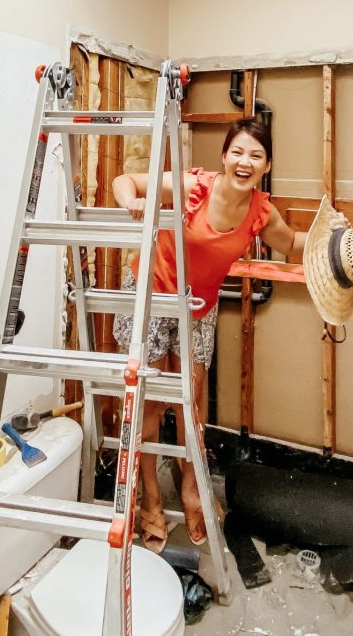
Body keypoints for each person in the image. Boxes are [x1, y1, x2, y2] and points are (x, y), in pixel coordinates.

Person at [111, 117, 306, 552]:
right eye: (237, 151)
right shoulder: (192, 186)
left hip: (198, 306)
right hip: (153, 294)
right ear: (223, 156)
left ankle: (193, 491)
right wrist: (134, 204)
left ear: (266, 165)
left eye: (256, 155)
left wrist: (339, 242)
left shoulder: (260, 212)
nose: (245, 161)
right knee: (150, 401)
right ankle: (150, 503)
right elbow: (124, 181)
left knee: (191, 401)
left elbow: (292, 243)